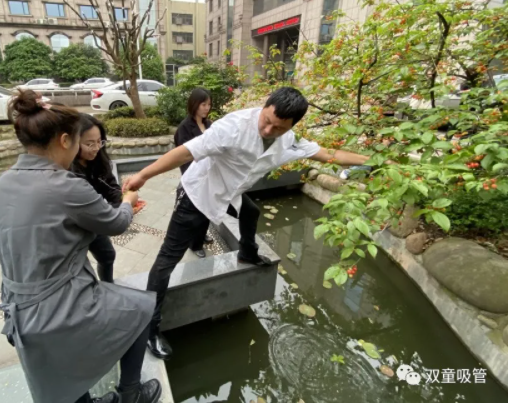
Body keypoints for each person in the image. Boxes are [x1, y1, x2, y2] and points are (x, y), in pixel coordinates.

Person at [123, 87, 379, 360]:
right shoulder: (233, 127)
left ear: (291, 126)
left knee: (251, 213)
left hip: (230, 192)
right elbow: (185, 152)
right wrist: (143, 175)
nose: (268, 130)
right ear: (265, 106)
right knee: (167, 260)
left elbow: (329, 155)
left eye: (278, 128)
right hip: (197, 194)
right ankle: (150, 326)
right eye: (266, 121)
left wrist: (374, 161)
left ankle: (247, 253)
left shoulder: (290, 140)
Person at [0, 90, 161, 403]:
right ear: (65, 141)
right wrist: (129, 201)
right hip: (57, 305)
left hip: (16, 309)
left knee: (61, 378)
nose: (84, 148)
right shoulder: (66, 186)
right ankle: (131, 394)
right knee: (141, 309)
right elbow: (116, 223)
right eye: (80, 141)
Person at [71, 115, 121, 282]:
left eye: (100, 141)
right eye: (89, 144)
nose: (96, 148)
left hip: (94, 220)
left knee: (107, 255)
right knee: (77, 267)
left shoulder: (98, 160)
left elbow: (111, 186)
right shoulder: (67, 170)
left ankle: (108, 285)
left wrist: (122, 201)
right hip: (74, 225)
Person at [173, 88, 214, 258]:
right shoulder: (184, 128)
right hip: (194, 176)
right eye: (203, 104)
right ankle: (195, 244)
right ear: (194, 104)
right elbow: (183, 157)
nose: (207, 108)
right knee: (196, 210)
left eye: (209, 104)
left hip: (209, 174)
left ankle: (201, 234)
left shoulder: (209, 124)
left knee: (207, 208)